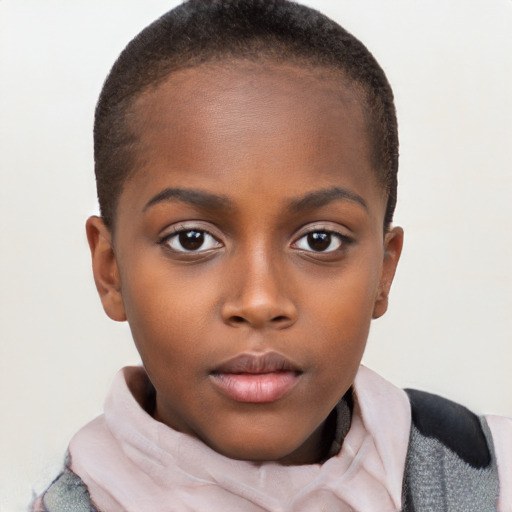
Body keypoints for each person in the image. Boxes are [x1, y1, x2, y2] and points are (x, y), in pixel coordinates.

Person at [31, 0, 511, 510]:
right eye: (190, 239)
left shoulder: (490, 479)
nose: (259, 301)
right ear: (110, 272)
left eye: (319, 240)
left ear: (383, 271)